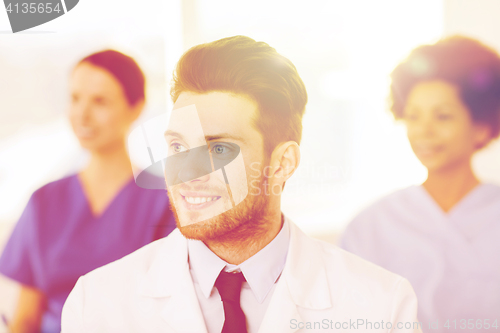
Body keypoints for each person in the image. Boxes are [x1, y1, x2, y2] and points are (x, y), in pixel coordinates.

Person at [62, 36, 422, 333]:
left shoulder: (382, 307)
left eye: (218, 149)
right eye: (177, 147)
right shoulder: (96, 304)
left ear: (282, 164)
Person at [0, 50, 175, 333]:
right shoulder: (44, 202)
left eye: (100, 101)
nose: (82, 114)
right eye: (75, 98)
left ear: (136, 107)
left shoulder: (164, 202)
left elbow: (173, 311)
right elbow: (25, 319)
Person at [340, 36, 500, 332]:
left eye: (443, 116)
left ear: (482, 126)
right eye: (413, 116)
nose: (423, 131)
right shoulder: (371, 225)